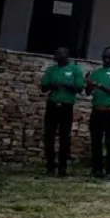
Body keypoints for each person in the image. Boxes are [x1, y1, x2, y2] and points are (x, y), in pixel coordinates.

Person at [39, 47, 84, 177]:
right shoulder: (51, 70)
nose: (57, 56)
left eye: (60, 54)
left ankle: (62, 168)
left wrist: (67, 85)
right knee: (49, 136)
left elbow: (79, 88)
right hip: (52, 105)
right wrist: (51, 86)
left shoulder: (75, 69)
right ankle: (50, 166)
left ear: (66, 56)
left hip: (66, 106)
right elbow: (43, 87)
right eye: (56, 54)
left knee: (65, 137)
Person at [85, 46, 110, 180]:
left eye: (109, 57)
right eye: (104, 57)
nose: (106, 60)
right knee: (95, 141)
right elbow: (88, 92)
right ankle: (97, 169)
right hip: (97, 110)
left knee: (109, 141)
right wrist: (89, 85)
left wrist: (97, 84)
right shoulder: (97, 72)